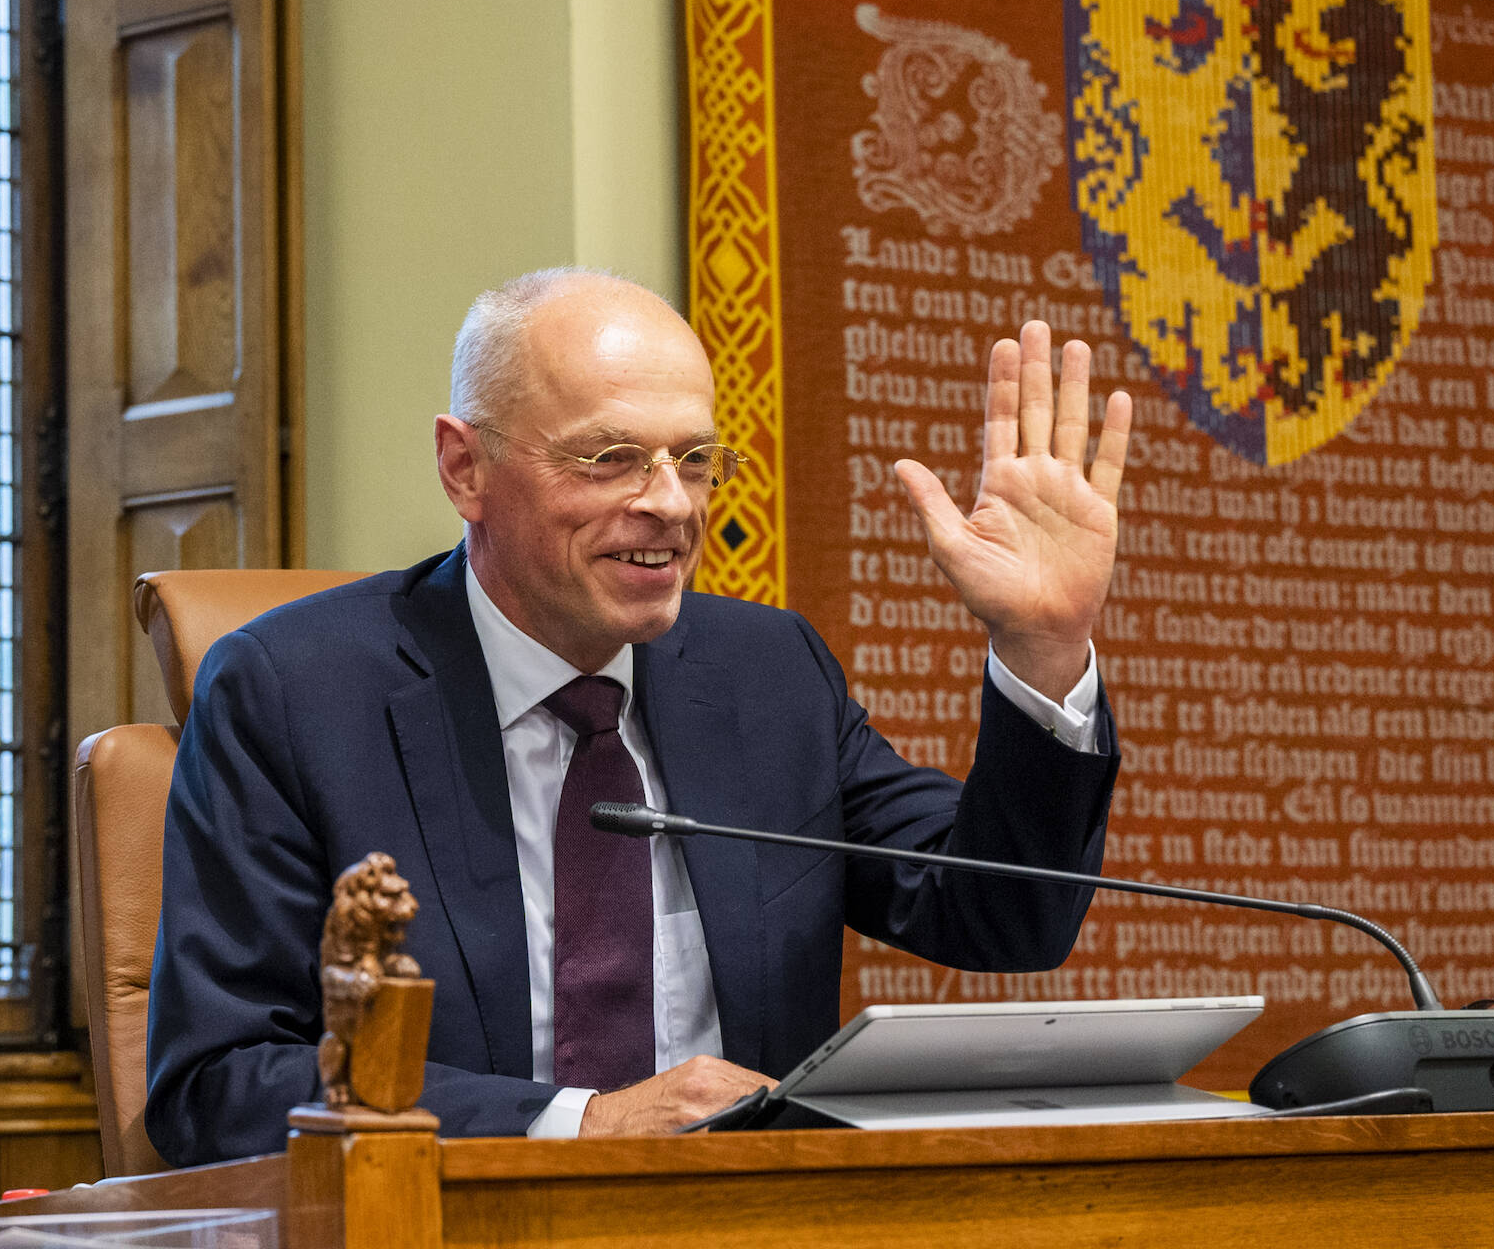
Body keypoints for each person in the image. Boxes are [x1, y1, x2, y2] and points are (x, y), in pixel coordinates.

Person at [145, 269, 1134, 1164]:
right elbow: (220, 1084)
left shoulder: (767, 675)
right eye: (611, 457)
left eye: (694, 458)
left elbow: (1007, 914)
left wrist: (1042, 646)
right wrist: (588, 1123)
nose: (670, 503)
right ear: (465, 469)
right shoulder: (294, 693)